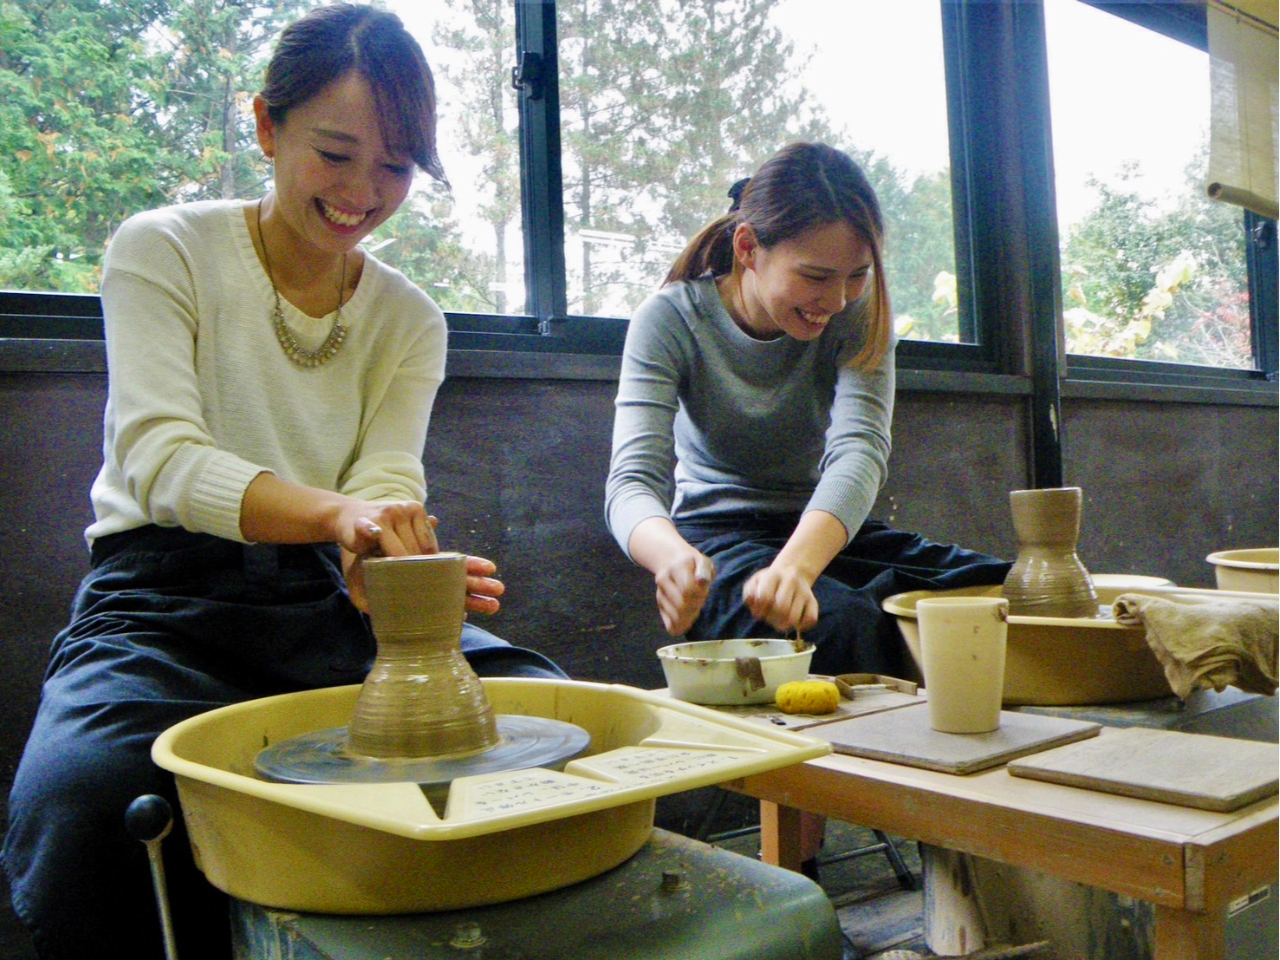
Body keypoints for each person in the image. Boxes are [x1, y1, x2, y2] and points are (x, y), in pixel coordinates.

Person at [2, 6, 564, 959]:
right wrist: (342, 514)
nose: (362, 192)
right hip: (159, 602)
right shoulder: (162, 249)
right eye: (336, 153)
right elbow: (161, 457)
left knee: (541, 719)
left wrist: (381, 559)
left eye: (394, 168)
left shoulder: (409, 318)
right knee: (83, 797)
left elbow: (387, 474)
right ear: (266, 126)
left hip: (324, 598)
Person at [605, 141, 1011, 703]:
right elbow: (630, 483)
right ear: (748, 248)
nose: (838, 300)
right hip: (720, 540)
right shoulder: (670, 319)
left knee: (1010, 596)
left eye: (857, 276)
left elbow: (860, 451)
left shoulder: (856, 312)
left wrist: (796, 565)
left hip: (825, 530)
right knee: (845, 627)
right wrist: (670, 559)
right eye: (816, 276)